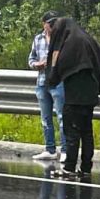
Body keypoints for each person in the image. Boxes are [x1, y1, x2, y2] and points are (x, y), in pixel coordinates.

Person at [46, 18, 100, 178]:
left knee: (72, 130)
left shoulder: (71, 43)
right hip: (90, 93)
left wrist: (52, 75)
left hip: (76, 94)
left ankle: (69, 168)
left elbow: (58, 68)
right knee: (86, 131)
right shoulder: (87, 39)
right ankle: (86, 168)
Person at [28, 10, 66, 162]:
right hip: (42, 80)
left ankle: (64, 149)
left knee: (62, 117)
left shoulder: (62, 39)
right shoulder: (38, 39)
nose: (52, 26)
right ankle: (49, 149)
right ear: (44, 24)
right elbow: (31, 60)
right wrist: (38, 64)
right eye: (50, 23)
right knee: (45, 117)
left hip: (58, 81)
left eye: (55, 23)